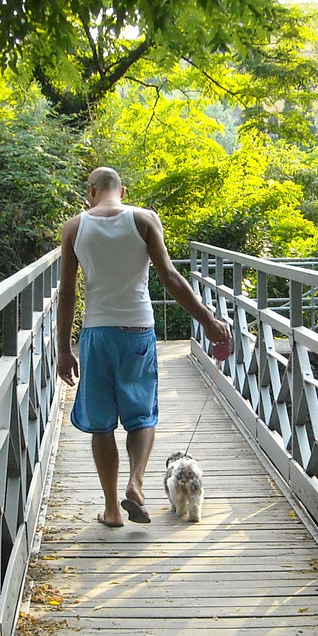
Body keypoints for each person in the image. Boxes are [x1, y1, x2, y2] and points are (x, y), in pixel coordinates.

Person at [56, 167, 232, 527]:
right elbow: (170, 277)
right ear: (123, 189)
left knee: (102, 425)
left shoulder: (75, 227)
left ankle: (112, 510)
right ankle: (136, 483)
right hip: (137, 329)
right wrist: (208, 322)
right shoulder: (145, 219)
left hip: (97, 332)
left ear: (91, 191)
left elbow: (68, 292)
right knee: (141, 414)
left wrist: (63, 348)